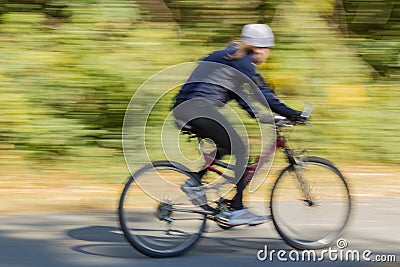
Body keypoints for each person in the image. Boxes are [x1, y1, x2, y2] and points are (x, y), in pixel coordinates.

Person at [172, 24, 305, 226]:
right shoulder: (242, 61)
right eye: (268, 49)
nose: (267, 54)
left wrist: (264, 117)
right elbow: (265, 96)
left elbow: (242, 98)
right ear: (259, 47)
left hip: (185, 108)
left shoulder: (230, 56)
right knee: (241, 150)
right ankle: (235, 209)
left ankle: (203, 187)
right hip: (199, 109)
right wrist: (294, 114)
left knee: (227, 146)